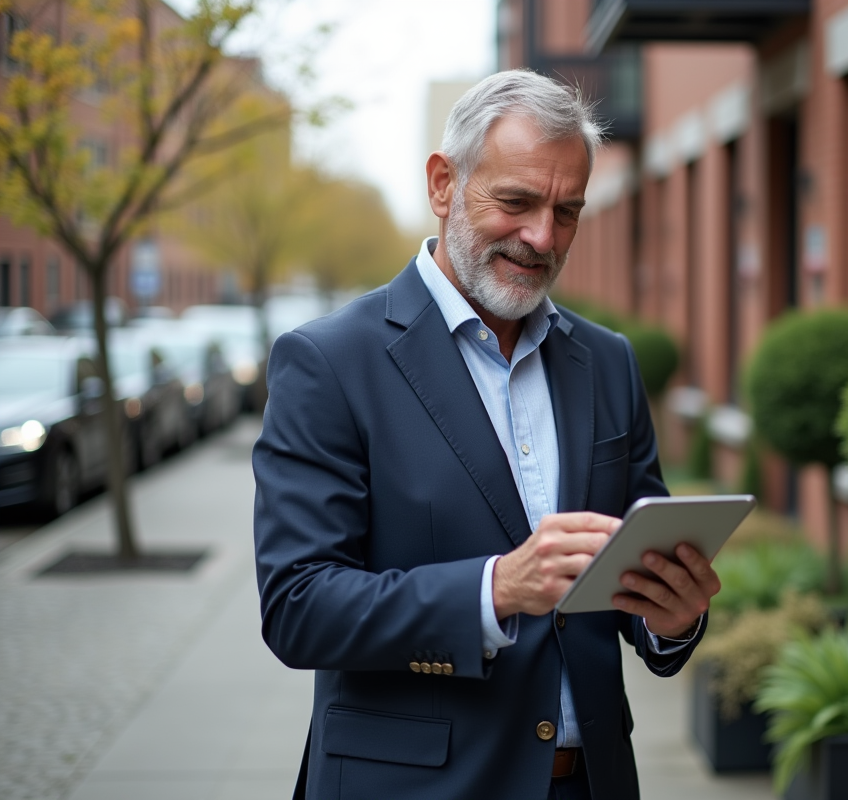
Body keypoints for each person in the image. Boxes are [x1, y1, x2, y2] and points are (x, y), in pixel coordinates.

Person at [252, 70, 720, 800]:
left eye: (567, 211)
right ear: (443, 184)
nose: (543, 236)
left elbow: (636, 572)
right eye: (517, 202)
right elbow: (298, 607)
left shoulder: (608, 362)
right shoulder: (328, 362)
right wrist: (495, 589)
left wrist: (674, 617)